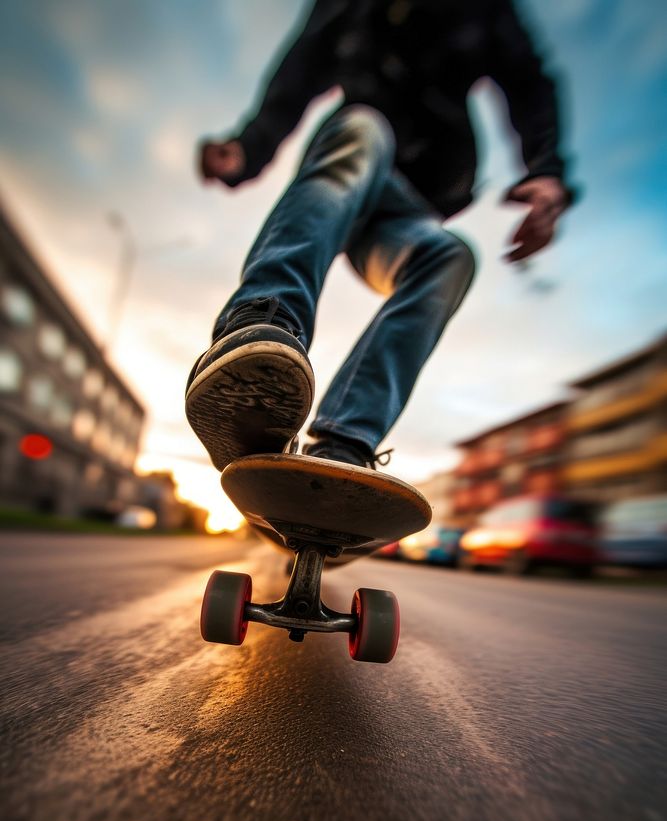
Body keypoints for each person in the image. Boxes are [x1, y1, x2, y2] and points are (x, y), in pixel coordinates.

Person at [186, 0, 574, 472]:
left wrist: (545, 169)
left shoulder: (483, 10)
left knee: (451, 257)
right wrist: (249, 147)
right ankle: (258, 330)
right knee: (364, 130)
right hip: (346, 174)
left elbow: (528, 81)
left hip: (413, 200)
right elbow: (300, 71)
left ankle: (345, 441)